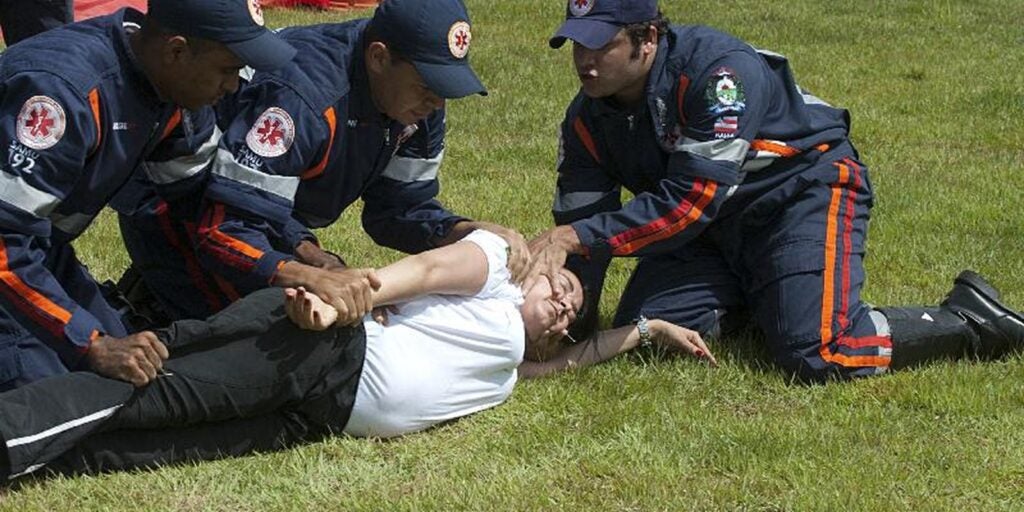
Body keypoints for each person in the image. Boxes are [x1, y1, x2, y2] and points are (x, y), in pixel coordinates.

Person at [526, 0, 1024, 382]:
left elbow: (689, 203)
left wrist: (575, 237)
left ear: (648, 39)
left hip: (798, 193)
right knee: (648, 328)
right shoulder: (585, 119)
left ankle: (966, 320)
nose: (585, 61)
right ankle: (773, 293)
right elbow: (580, 233)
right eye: (577, 45)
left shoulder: (719, 74)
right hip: (711, 230)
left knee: (819, 353)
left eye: (601, 45)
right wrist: (569, 321)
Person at [0, 229, 712, 479]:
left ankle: (34, 460)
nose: (565, 306)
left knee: (148, 448)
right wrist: (341, 304)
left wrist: (646, 329)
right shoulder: (495, 268)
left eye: (570, 316)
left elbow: (571, 362)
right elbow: (421, 272)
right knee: (152, 394)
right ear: (536, 271)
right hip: (322, 347)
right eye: (563, 287)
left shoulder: (511, 366)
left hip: (318, 415)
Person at [115, 0, 530, 328]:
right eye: (427, 85)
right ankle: (140, 310)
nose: (437, 103)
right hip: (180, 205)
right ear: (378, 58)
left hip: (257, 210)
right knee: (257, 339)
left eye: (444, 87)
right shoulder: (304, 101)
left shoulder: (416, 104)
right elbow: (224, 230)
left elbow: (396, 211)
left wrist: (461, 232)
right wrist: (308, 272)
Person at [0, 0, 295, 391]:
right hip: (12, 249)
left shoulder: (169, 86)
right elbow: (4, 243)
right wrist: (92, 344)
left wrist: (298, 258)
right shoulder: (63, 93)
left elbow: (202, 197)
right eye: (227, 69)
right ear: (177, 51)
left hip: (37, 249)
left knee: (137, 378)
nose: (232, 86)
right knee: (55, 397)